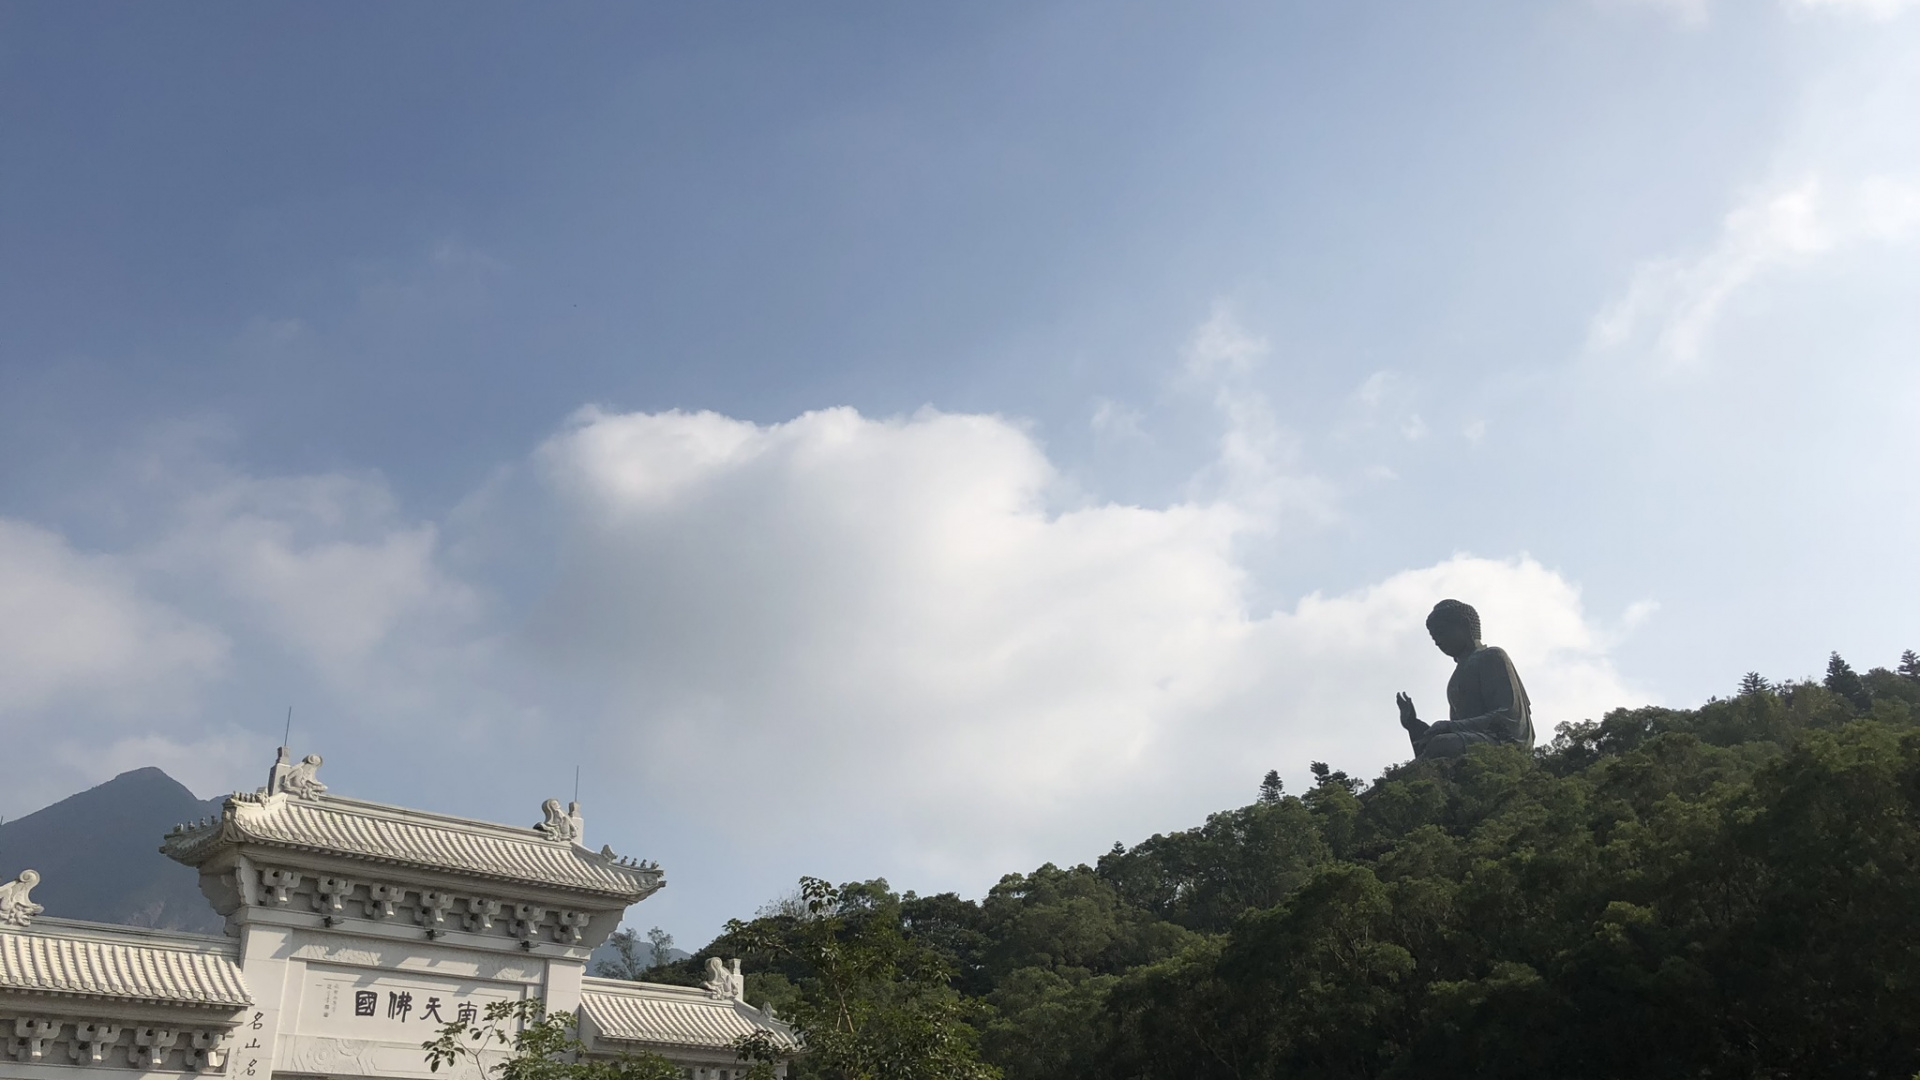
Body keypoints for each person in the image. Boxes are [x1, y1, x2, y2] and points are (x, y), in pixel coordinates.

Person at [1396, 599, 1533, 759]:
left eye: (1442, 633)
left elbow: (1508, 715)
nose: (1438, 642)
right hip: (1473, 740)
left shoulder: (1492, 656)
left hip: (1502, 742)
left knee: (1443, 744)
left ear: (1464, 625)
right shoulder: (1456, 677)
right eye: (1434, 638)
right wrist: (1413, 724)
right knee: (1435, 745)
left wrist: (1450, 726)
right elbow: (1459, 729)